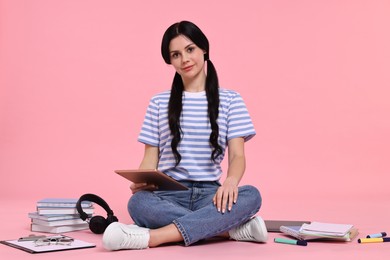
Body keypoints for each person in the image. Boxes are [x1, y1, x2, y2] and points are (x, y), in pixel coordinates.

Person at [102, 20, 268, 250]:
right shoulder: (159, 102)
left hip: (212, 194)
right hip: (169, 193)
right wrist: (143, 180)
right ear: (170, 60)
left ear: (204, 49)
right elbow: (151, 155)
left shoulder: (231, 100)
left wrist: (230, 181)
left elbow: (237, 156)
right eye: (176, 54)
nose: (185, 59)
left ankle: (151, 238)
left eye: (190, 49)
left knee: (252, 195)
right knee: (138, 203)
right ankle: (226, 230)